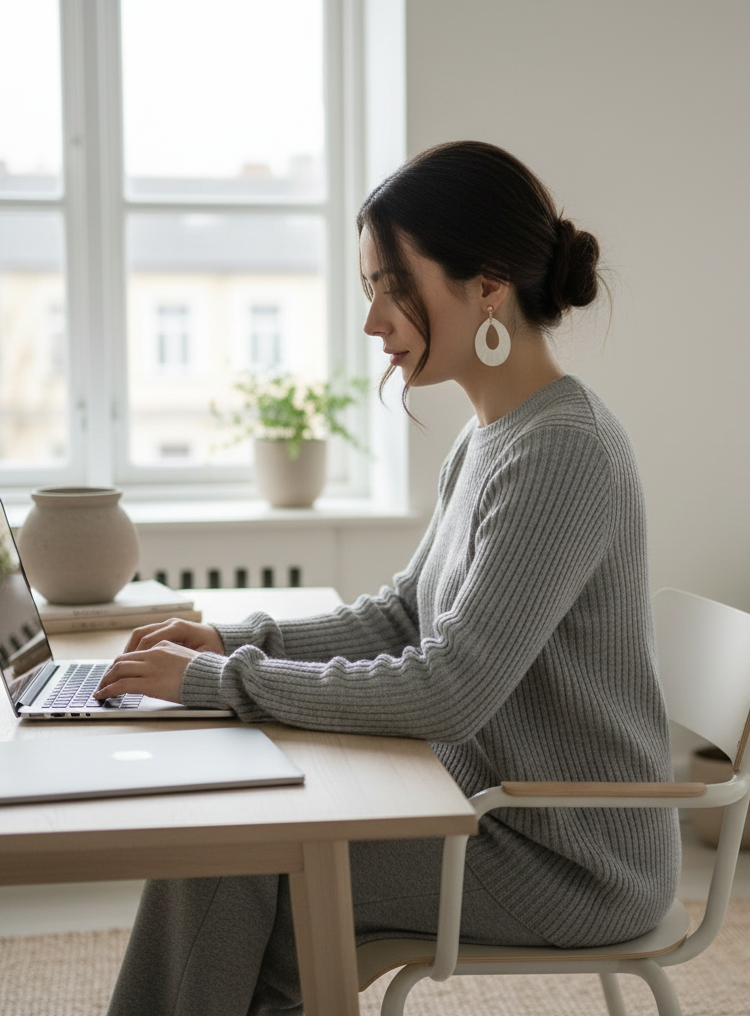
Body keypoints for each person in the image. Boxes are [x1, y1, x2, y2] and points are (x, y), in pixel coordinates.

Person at [96, 141, 681, 1016]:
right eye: (369, 290)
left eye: (390, 286)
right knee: (241, 867)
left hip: (566, 853)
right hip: (492, 812)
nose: (374, 322)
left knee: (241, 862)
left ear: (487, 286)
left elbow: (447, 691)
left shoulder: (561, 453)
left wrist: (223, 682)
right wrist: (229, 641)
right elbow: (406, 616)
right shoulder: (492, 438)